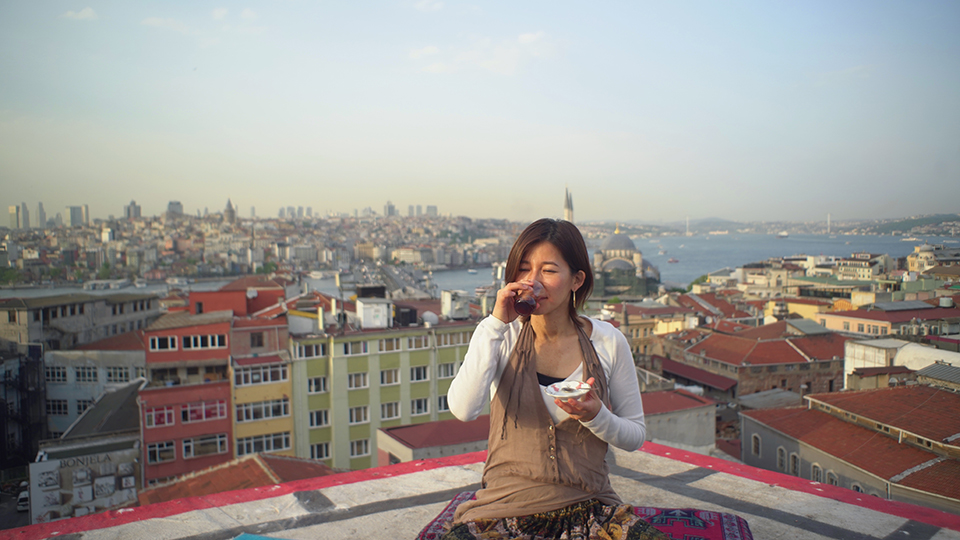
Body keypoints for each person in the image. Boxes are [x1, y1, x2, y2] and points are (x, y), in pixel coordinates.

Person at [444, 218, 666, 540]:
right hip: (505, 507)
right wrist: (493, 325)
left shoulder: (607, 341)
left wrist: (597, 415)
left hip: (590, 507)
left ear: (576, 280)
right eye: (523, 269)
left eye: (548, 270)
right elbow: (463, 409)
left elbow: (634, 436)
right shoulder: (499, 335)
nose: (532, 281)